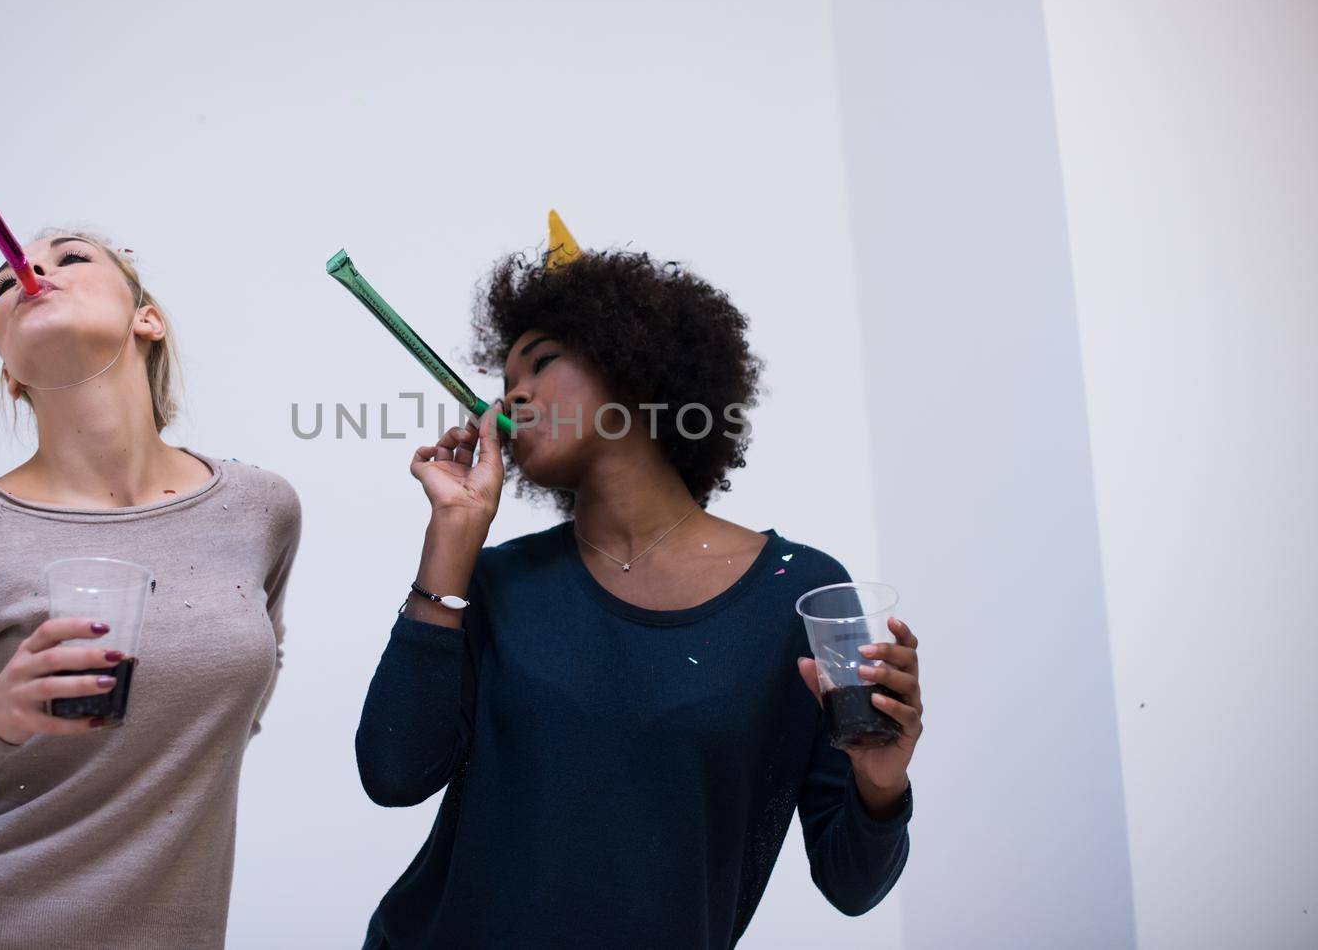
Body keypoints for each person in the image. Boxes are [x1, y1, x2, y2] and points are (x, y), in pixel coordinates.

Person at [355, 242, 921, 948]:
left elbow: (852, 884)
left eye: (542, 361)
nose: (513, 394)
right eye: (505, 379)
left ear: (631, 358)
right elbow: (393, 773)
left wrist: (881, 778)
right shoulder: (495, 583)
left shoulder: (802, 592)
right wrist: (453, 535)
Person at [0, 227, 302, 948]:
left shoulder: (259, 509)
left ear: (148, 319)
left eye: (72, 257)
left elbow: (231, 706)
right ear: (9, 368)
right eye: (4, 283)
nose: (32, 270)